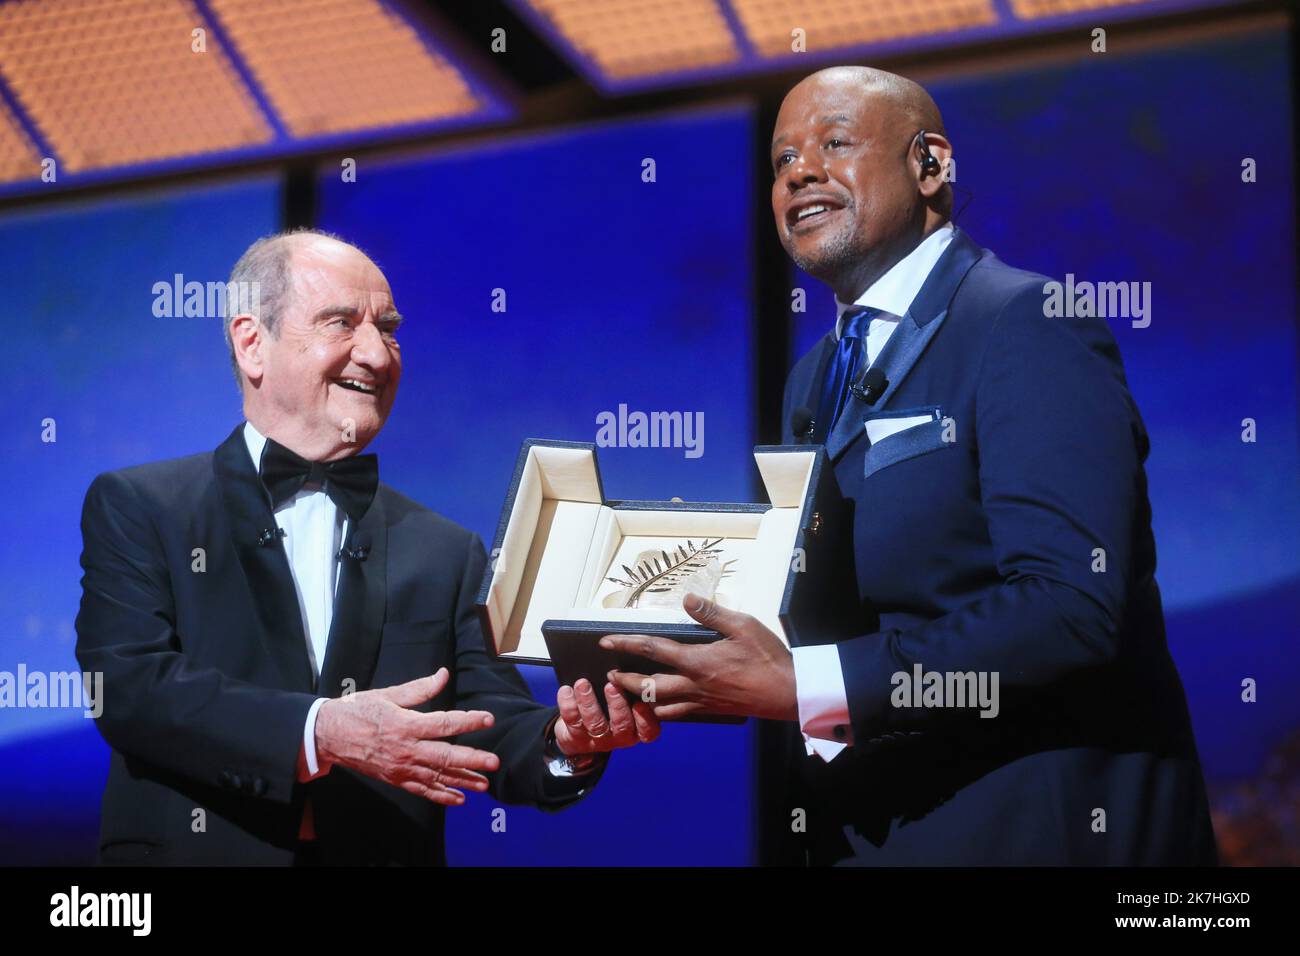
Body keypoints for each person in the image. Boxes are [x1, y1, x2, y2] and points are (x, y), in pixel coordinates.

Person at [603, 67, 1217, 865]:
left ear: (930, 166)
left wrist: (812, 686)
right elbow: (835, 618)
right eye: (782, 160)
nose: (799, 172)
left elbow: (1070, 605)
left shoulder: (1026, 323)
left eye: (834, 143)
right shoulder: (814, 375)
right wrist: (676, 622)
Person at [75, 229, 658, 866]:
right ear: (252, 343)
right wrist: (321, 731)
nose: (378, 356)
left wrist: (565, 741)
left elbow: (491, 723)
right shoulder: (143, 507)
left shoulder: (444, 550)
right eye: (342, 323)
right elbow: (130, 689)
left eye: (388, 328)